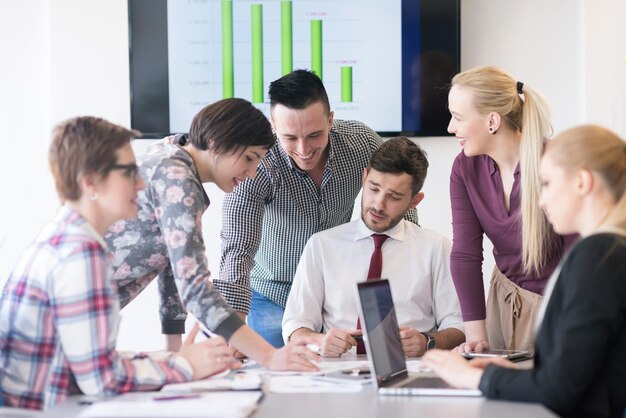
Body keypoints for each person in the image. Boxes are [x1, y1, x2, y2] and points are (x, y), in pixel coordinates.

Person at [0, 117, 238, 410]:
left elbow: (88, 362)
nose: (140, 183)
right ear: (91, 182)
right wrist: (183, 366)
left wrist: (165, 359)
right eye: (128, 172)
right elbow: (101, 380)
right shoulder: (81, 255)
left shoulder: (63, 238)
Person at [423, 125, 626, 418]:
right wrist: (513, 376)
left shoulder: (598, 257)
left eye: (547, 184)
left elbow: (562, 389)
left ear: (582, 183)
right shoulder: (609, 250)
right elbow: (583, 372)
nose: (540, 200)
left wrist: (475, 378)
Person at [104, 98, 318, 371]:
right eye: (249, 159)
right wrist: (269, 356)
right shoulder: (178, 180)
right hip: (69, 312)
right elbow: (195, 286)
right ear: (218, 143)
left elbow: (174, 265)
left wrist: (175, 353)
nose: (252, 173)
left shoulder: (172, 152)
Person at [216, 70, 418, 347]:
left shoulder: (362, 144)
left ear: (330, 120)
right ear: (273, 126)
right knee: (276, 380)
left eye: (314, 135)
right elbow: (237, 249)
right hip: (274, 293)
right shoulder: (256, 165)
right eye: (290, 138)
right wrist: (231, 333)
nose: (303, 149)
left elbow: (400, 209)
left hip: (341, 294)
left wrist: (410, 284)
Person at [282, 137, 464, 357]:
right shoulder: (321, 246)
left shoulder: (436, 248)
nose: (378, 204)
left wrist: (428, 341)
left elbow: (459, 325)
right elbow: (294, 325)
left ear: (415, 201)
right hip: (337, 373)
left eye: (394, 197)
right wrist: (319, 341)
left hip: (411, 369)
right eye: (374, 188)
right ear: (364, 177)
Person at [446, 66, 574, 353]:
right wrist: (475, 338)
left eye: (458, 117)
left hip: (558, 310)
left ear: (492, 121)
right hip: (503, 305)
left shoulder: (555, 164)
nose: (451, 128)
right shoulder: (464, 168)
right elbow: (465, 254)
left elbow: (580, 259)